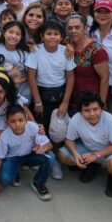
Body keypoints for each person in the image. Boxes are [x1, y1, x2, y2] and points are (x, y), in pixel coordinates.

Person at [57, 91, 112, 197]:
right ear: (80, 111)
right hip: (88, 148)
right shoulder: (76, 118)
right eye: (87, 110)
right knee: (63, 155)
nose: (92, 114)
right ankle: (91, 165)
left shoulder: (110, 121)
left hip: (110, 150)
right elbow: (69, 140)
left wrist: (96, 155)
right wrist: (75, 154)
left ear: (101, 108)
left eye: (95, 109)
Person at [27, 19, 75, 147]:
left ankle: (58, 154)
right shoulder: (36, 51)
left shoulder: (66, 51)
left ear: (61, 37)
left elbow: (70, 77)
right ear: (42, 36)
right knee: (41, 124)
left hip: (60, 93)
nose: (52, 37)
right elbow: (31, 77)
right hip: (41, 93)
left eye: (56, 34)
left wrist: (65, 102)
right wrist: (38, 102)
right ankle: (43, 152)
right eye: (49, 34)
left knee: (59, 127)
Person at [0, 105, 54, 201]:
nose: (17, 124)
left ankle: (38, 182)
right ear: (7, 123)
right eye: (13, 121)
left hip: (31, 155)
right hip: (13, 158)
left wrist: (43, 148)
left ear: (26, 119)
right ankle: (15, 171)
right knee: (5, 179)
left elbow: (50, 145)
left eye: (20, 120)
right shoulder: (4, 136)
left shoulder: (33, 126)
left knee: (51, 157)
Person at [0, 21, 30, 100]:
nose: (13, 36)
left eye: (18, 34)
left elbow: (30, 75)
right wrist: (6, 80)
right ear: (4, 33)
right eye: (10, 32)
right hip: (2, 89)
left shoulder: (25, 53)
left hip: (23, 91)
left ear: (21, 37)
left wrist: (15, 82)